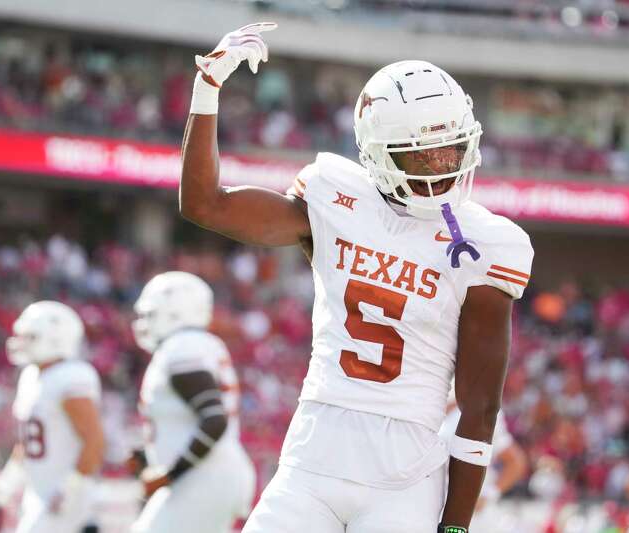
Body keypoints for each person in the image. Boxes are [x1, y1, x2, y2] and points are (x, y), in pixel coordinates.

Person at [180, 22, 534, 533]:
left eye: (450, 151)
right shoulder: (336, 199)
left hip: (406, 478)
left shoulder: (484, 245)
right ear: (377, 152)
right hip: (312, 458)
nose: (440, 169)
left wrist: (455, 526)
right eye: (422, 154)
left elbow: (480, 409)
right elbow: (204, 204)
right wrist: (206, 89)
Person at [129, 271, 256, 533]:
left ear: (174, 313)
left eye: (150, 315)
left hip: (202, 477)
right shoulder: (194, 344)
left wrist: (170, 472)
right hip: (206, 475)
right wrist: (148, 455)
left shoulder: (182, 347)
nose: (143, 323)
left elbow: (213, 419)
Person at [0, 301, 104, 533]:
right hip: (40, 494)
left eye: (30, 337)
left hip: (66, 498)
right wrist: (9, 480)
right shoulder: (31, 376)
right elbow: (29, 441)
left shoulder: (71, 376)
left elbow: (94, 440)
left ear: (55, 339)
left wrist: (72, 487)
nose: (20, 342)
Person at [439, 394, 528, 532]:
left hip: (471, 516)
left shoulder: (482, 410)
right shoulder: (425, 404)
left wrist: (488, 494)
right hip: (432, 508)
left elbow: (515, 462)